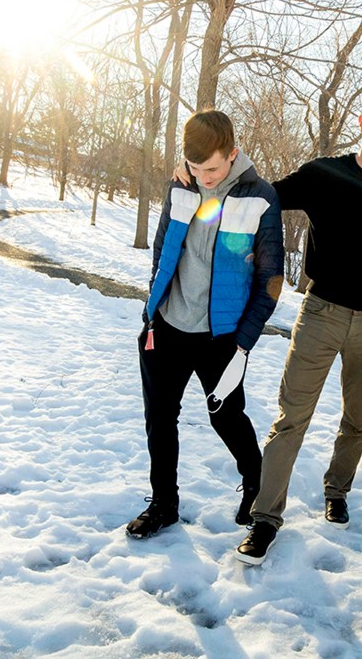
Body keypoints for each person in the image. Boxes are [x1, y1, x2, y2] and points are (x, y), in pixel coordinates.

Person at [235, 91, 362, 566]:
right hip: (321, 313)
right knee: (290, 417)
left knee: (357, 421)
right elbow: (264, 196)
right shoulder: (324, 173)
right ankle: (264, 520)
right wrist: (215, 168)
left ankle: (337, 490)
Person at [127, 109, 284, 539]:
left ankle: (255, 482)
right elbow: (162, 250)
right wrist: (152, 310)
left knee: (226, 417)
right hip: (167, 327)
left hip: (222, 337)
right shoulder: (180, 186)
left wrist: (243, 343)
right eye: (195, 167)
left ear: (233, 154)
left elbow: (271, 281)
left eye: (212, 168)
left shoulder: (260, 198)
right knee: (160, 418)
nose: (204, 176)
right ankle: (163, 504)